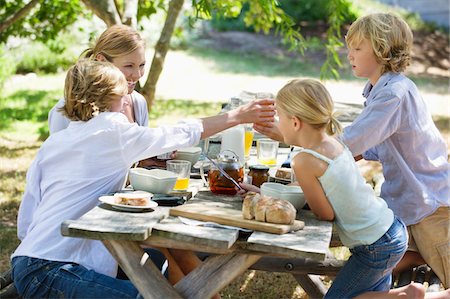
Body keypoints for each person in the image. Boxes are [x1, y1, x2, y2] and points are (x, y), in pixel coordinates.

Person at [12, 59, 275, 298]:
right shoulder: (113, 131)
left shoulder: (56, 141)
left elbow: (26, 221)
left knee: (159, 283)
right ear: (108, 98)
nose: (128, 99)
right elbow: (181, 133)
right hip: (53, 271)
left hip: (29, 260)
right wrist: (240, 115)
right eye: (123, 94)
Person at [254, 13, 450, 290]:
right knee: (379, 261)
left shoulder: (392, 94)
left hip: (429, 203)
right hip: (407, 200)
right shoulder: (380, 89)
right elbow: (364, 148)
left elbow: (346, 145)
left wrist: (292, 136)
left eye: (358, 48)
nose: (349, 54)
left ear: (382, 50)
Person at [47, 24, 167, 168]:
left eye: (141, 65)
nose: (137, 75)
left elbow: (132, 160)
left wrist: (147, 159)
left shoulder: (138, 103)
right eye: (129, 66)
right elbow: (59, 165)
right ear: (102, 60)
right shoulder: (68, 108)